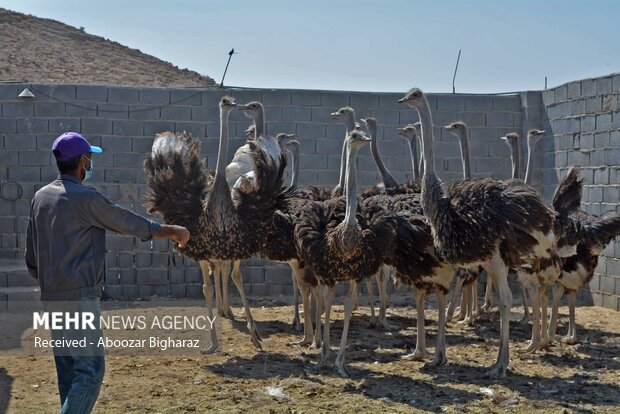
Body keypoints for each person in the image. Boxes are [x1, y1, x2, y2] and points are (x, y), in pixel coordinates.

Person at [25, 132, 189, 414]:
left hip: (52, 296)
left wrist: (50, 284)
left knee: (70, 371)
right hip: (78, 298)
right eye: (89, 157)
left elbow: (31, 256)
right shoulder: (84, 197)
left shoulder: (41, 198)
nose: (90, 163)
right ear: (82, 161)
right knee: (90, 371)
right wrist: (171, 230)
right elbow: (122, 220)